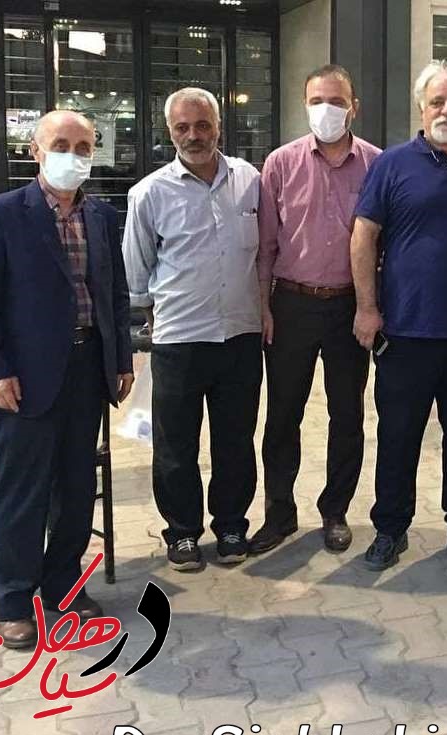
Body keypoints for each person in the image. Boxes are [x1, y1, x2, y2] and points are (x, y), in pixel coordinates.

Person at [0, 110, 134, 648]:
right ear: (35, 151)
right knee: (23, 494)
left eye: (83, 147)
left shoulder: (102, 216)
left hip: (88, 371)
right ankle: (14, 601)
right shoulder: (0, 215)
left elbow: (114, 294)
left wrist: (122, 360)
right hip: (24, 380)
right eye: (61, 145)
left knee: (76, 489)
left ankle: (63, 586)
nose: (73, 156)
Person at [350, 61, 447, 573]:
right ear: (421, 108)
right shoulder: (392, 165)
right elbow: (363, 237)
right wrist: (367, 307)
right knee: (398, 437)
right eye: (438, 101)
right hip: (406, 332)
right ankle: (390, 530)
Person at [124, 87, 263, 572]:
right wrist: (151, 319)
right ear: (170, 132)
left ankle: (231, 526)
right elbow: (136, 272)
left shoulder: (250, 180)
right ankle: (182, 532)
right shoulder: (148, 193)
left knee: (235, 440)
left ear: (218, 126)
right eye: (182, 127)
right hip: (179, 340)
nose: (194, 135)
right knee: (175, 445)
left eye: (203, 125)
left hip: (240, 336)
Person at [251, 65, 381, 556]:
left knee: (347, 414)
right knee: (283, 413)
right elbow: (265, 245)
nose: (327, 109)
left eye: (336, 100)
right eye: (317, 100)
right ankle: (279, 513)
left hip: (350, 305)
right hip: (291, 303)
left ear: (354, 107)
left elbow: (383, 243)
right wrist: (263, 307)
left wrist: (371, 307)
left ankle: (335, 510)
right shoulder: (280, 163)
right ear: (304, 105)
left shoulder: (376, 164)